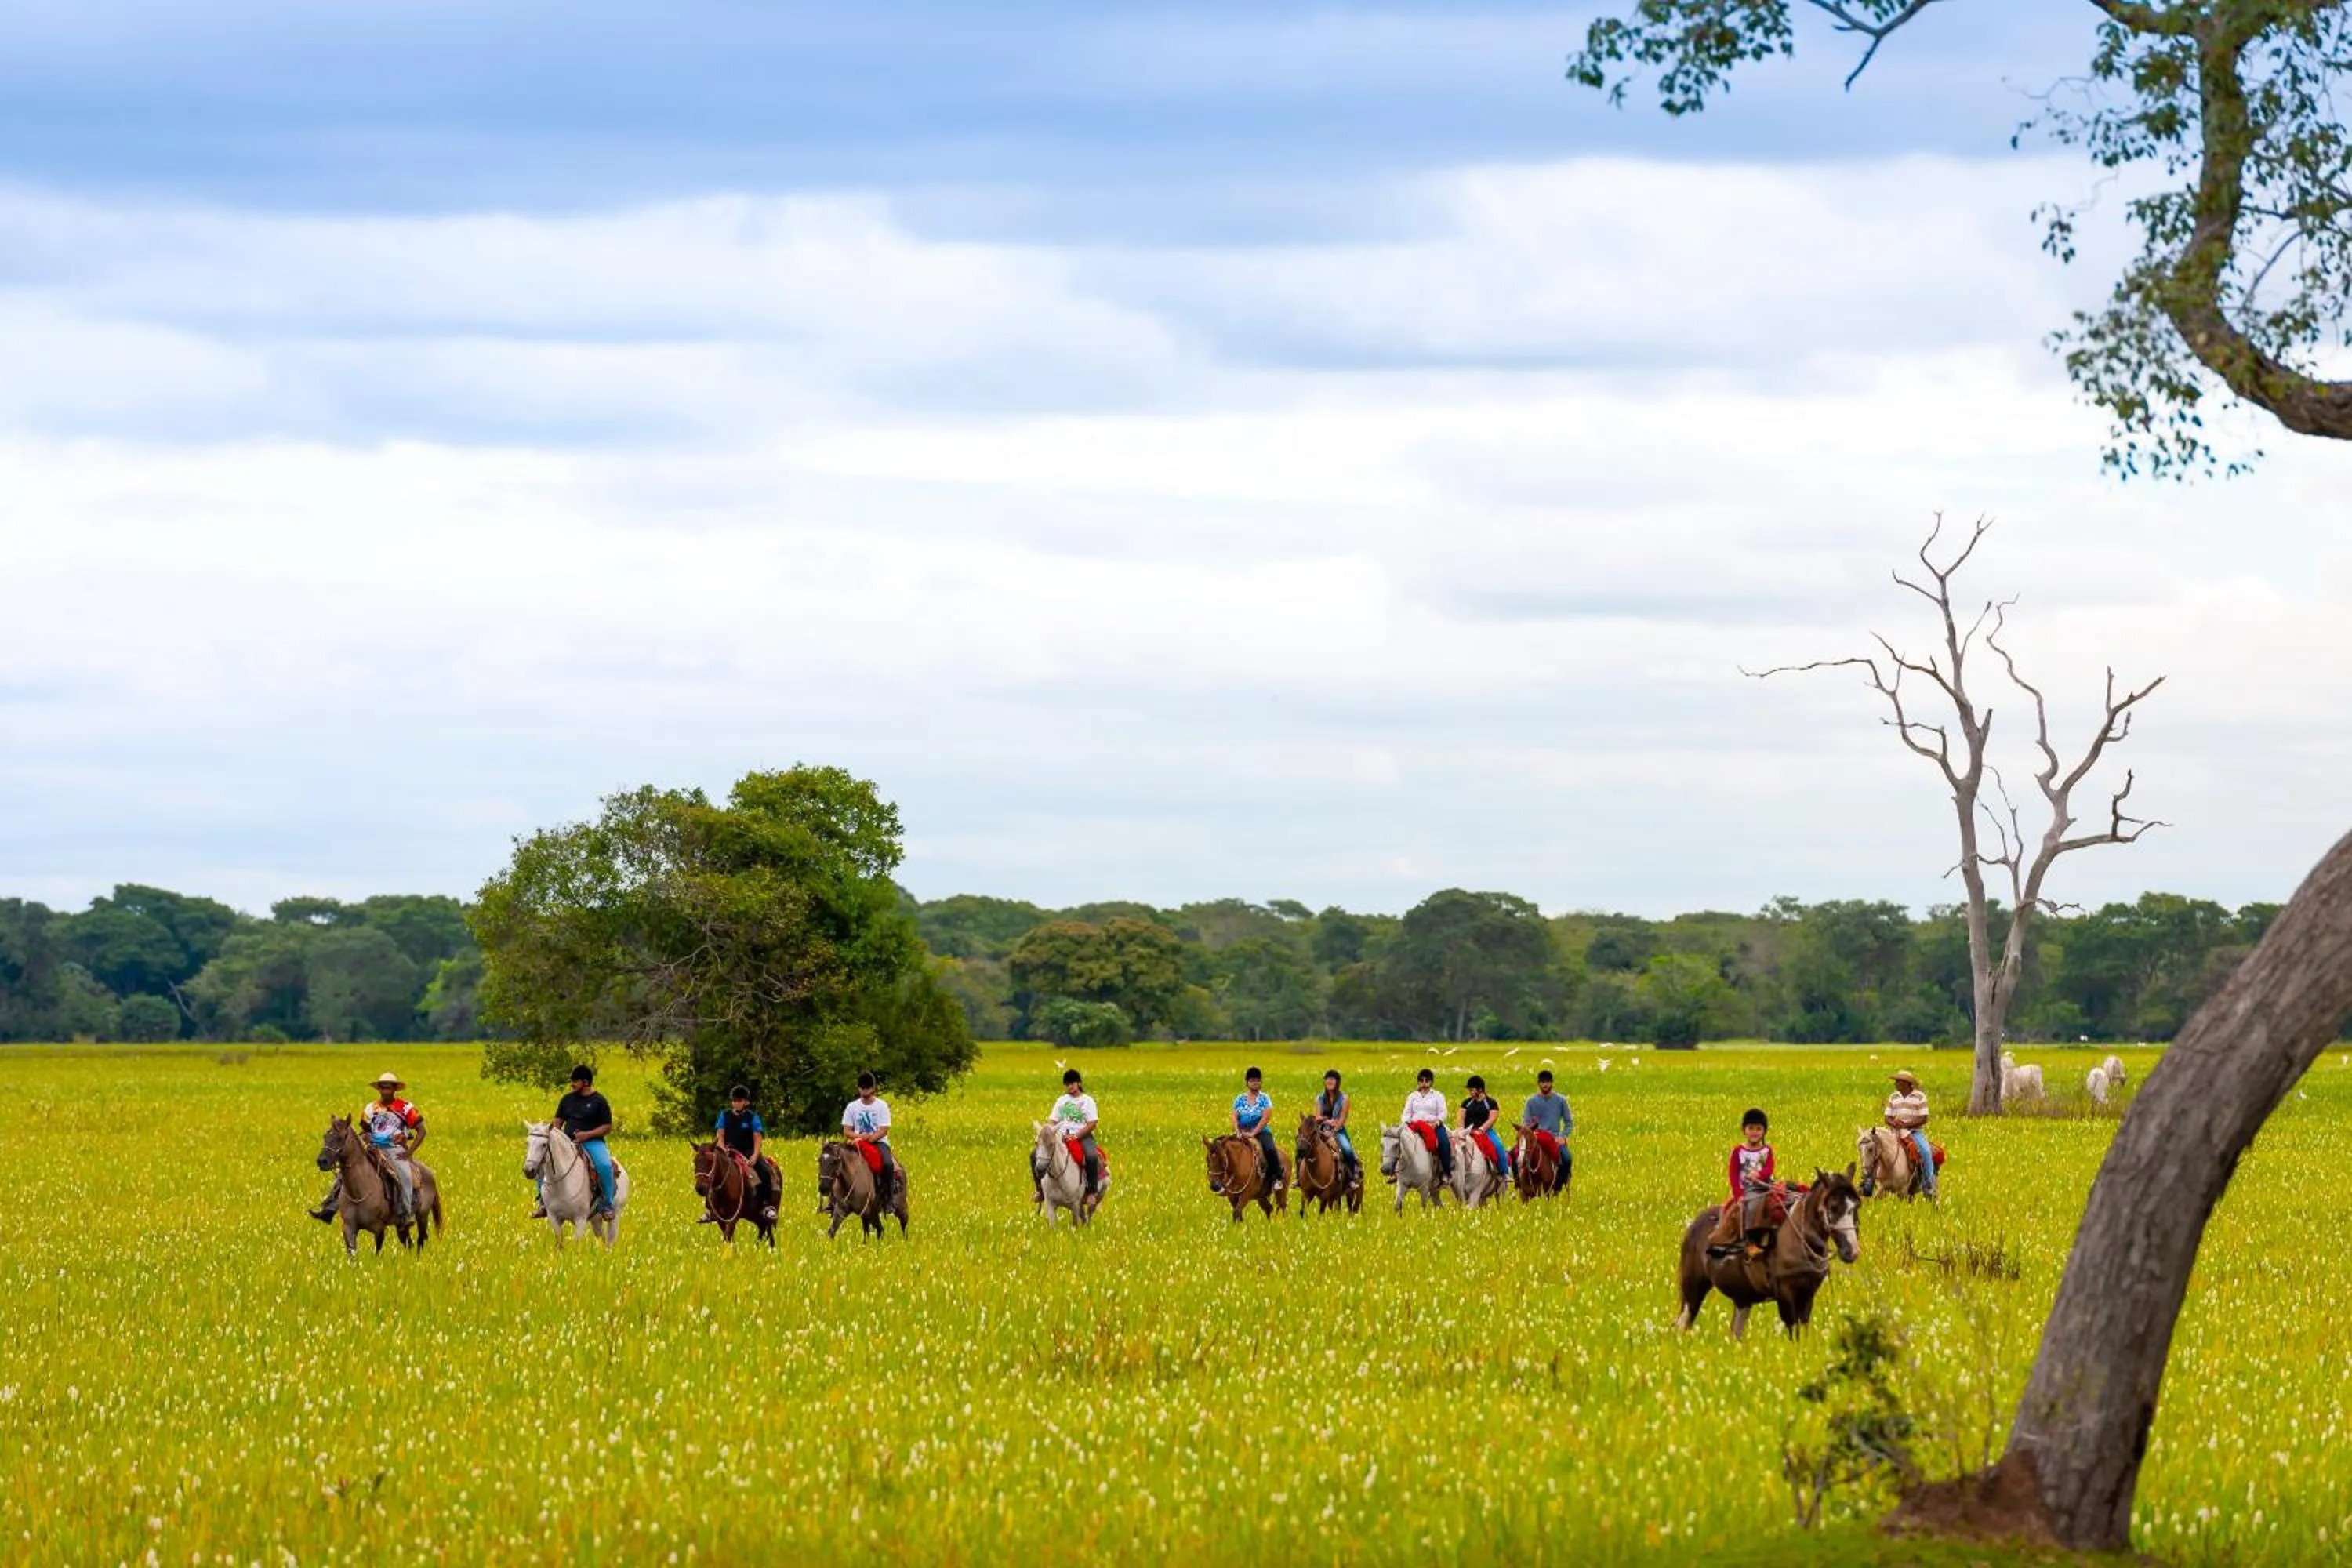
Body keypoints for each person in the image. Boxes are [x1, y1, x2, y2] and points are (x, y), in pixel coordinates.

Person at [313, 1070, 423, 1222]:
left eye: (389, 1087)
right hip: (372, 1148)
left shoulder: (406, 1107)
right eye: (383, 1087)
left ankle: (405, 1213)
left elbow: (422, 1131)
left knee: (404, 1176)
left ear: (394, 1089)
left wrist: (409, 1152)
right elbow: (364, 1131)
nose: (385, 1091)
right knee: (343, 1174)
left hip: (395, 1149)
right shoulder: (370, 1108)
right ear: (379, 1089)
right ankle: (329, 1208)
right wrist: (367, 1137)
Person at [547, 1064, 615, 1220]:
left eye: (575, 1081)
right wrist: (556, 1137)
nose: (572, 1084)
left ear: (585, 1082)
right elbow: (558, 1121)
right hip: (568, 1143)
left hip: (593, 1142)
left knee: (604, 1165)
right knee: (544, 1163)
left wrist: (587, 1135)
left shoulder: (599, 1101)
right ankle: (543, 1202)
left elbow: (607, 1127)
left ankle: (607, 1204)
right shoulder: (567, 1100)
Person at [708, 1084, 778, 1223]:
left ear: (746, 1102)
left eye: (739, 1100)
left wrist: (755, 1155)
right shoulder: (725, 1115)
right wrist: (722, 1149)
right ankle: (710, 1209)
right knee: (710, 1171)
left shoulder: (752, 1117)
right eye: (734, 1100)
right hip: (728, 1149)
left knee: (763, 1171)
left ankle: (766, 1205)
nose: (736, 1103)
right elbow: (720, 1134)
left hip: (748, 1150)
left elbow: (757, 1137)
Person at [1712, 1108, 1777, 1257]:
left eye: (1759, 1128)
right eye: (1751, 1128)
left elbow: (1769, 1168)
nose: (1755, 1132)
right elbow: (1733, 1174)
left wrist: (1759, 1174)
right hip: (1747, 1189)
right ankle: (1750, 1241)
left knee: (1781, 1203)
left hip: (1766, 1186)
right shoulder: (1738, 1152)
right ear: (1744, 1130)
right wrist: (1738, 1194)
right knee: (1754, 1204)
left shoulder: (1767, 1150)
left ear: (1764, 1131)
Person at [1043, 1067, 1101, 1200]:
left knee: (1091, 1157)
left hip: (1082, 1136)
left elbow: (1092, 1123)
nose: (1070, 1087)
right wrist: (1049, 1132)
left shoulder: (1088, 1101)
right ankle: (1040, 1190)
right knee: (1037, 1155)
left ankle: (1091, 1191)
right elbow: (1053, 1120)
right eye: (1067, 1085)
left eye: (1072, 1084)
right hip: (1061, 1136)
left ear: (1079, 1083)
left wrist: (1077, 1136)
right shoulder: (1061, 1101)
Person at [1881, 1069, 1938, 1200]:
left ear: (1906, 1083)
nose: (1895, 1084)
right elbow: (1887, 1117)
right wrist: (1894, 1124)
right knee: (1877, 1149)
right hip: (1895, 1131)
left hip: (1914, 1131)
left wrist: (1906, 1125)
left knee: (1926, 1152)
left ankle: (1928, 1184)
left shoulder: (1919, 1097)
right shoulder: (1894, 1097)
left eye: (1898, 1081)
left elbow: (1923, 1118)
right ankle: (1868, 1181)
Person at [843, 1071, 895, 1210]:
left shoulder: (881, 1105)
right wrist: (859, 1138)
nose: (864, 1091)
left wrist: (870, 1138)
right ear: (859, 1088)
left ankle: (889, 1198)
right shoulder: (852, 1107)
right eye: (862, 1088)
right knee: (837, 1161)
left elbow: (884, 1129)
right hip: (857, 1142)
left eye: (867, 1088)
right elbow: (847, 1130)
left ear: (872, 1089)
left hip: (878, 1142)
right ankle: (835, 1199)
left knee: (888, 1164)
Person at [1520, 1069, 1573, 1193]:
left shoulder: (1561, 1101)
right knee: (1517, 1155)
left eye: (1548, 1082)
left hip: (1554, 1138)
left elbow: (1568, 1122)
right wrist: (1530, 1134)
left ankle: (1559, 1184)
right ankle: (1518, 1183)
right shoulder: (1531, 1101)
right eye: (1543, 1082)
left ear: (1552, 1083)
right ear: (1538, 1084)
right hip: (1535, 1137)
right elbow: (1526, 1122)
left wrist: (1563, 1136)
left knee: (1566, 1158)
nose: (1545, 1085)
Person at [1232, 1066, 1283, 1192]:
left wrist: (1253, 1133)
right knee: (1226, 1148)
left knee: (1270, 1150)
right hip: (1242, 1131)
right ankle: (1225, 1180)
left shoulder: (1265, 1098)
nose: (1255, 1083)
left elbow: (1266, 1118)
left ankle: (1277, 1178)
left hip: (1261, 1131)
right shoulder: (1239, 1099)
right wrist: (1238, 1132)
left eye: (1258, 1080)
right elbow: (1234, 1117)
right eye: (1252, 1080)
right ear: (1247, 1082)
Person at [1312, 1069, 1360, 1190]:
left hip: (1338, 1130)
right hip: (1321, 1130)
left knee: (1347, 1150)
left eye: (1332, 1079)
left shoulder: (1344, 1099)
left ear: (1337, 1082)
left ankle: (1353, 1178)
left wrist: (1333, 1130)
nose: (1329, 1081)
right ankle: (1300, 1178)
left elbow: (1342, 1119)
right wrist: (1326, 1121)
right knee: (1304, 1147)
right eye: (1327, 1079)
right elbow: (1317, 1118)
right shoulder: (1319, 1099)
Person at [1459, 1074, 1510, 1186]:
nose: (1470, 1092)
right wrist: (1462, 1130)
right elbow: (1461, 1117)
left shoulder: (1491, 1103)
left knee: (1498, 1146)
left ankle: (1504, 1173)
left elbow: (1492, 1118)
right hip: (1468, 1132)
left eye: (1472, 1090)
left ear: (1480, 1089)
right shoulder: (1466, 1103)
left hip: (1485, 1132)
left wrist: (1482, 1129)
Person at [1403, 1067, 1452, 1178]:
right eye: (1421, 1080)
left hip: (1433, 1125)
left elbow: (1443, 1112)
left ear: (1431, 1082)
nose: (1424, 1083)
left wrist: (1437, 1122)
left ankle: (1446, 1172)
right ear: (1418, 1082)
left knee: (1444, 1143)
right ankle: (1397, 1171)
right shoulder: (1412, 1096)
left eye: (1427, 1081)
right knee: (1398, 1142)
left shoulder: (1438, 1096)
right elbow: (1406, 1113)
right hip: (1415, 1126)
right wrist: (1406, 1124)